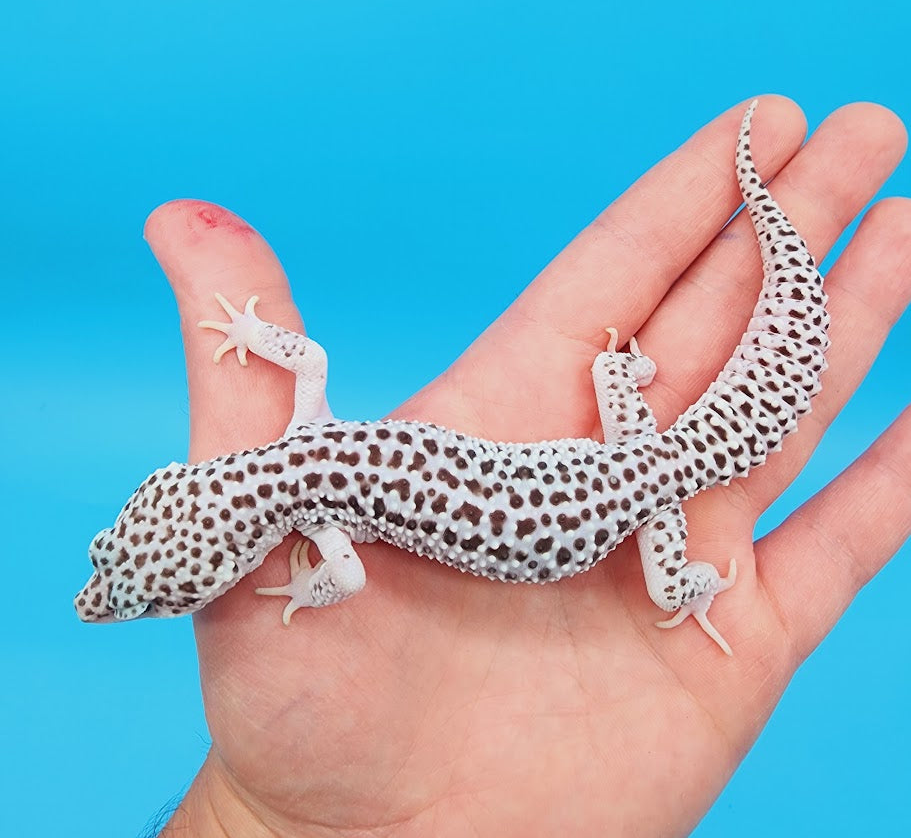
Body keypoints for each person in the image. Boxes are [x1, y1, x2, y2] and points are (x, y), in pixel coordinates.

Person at [148, 95, 910, 837]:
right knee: (654, 515)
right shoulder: (302, 440)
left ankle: (694, 584)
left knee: (670, 585)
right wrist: (254, 330)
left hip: (641, 487)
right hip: (631, 462)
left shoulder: (313, 516)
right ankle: (676, 529)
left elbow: (343, 577)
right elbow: (308, 358)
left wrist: (304, 586)